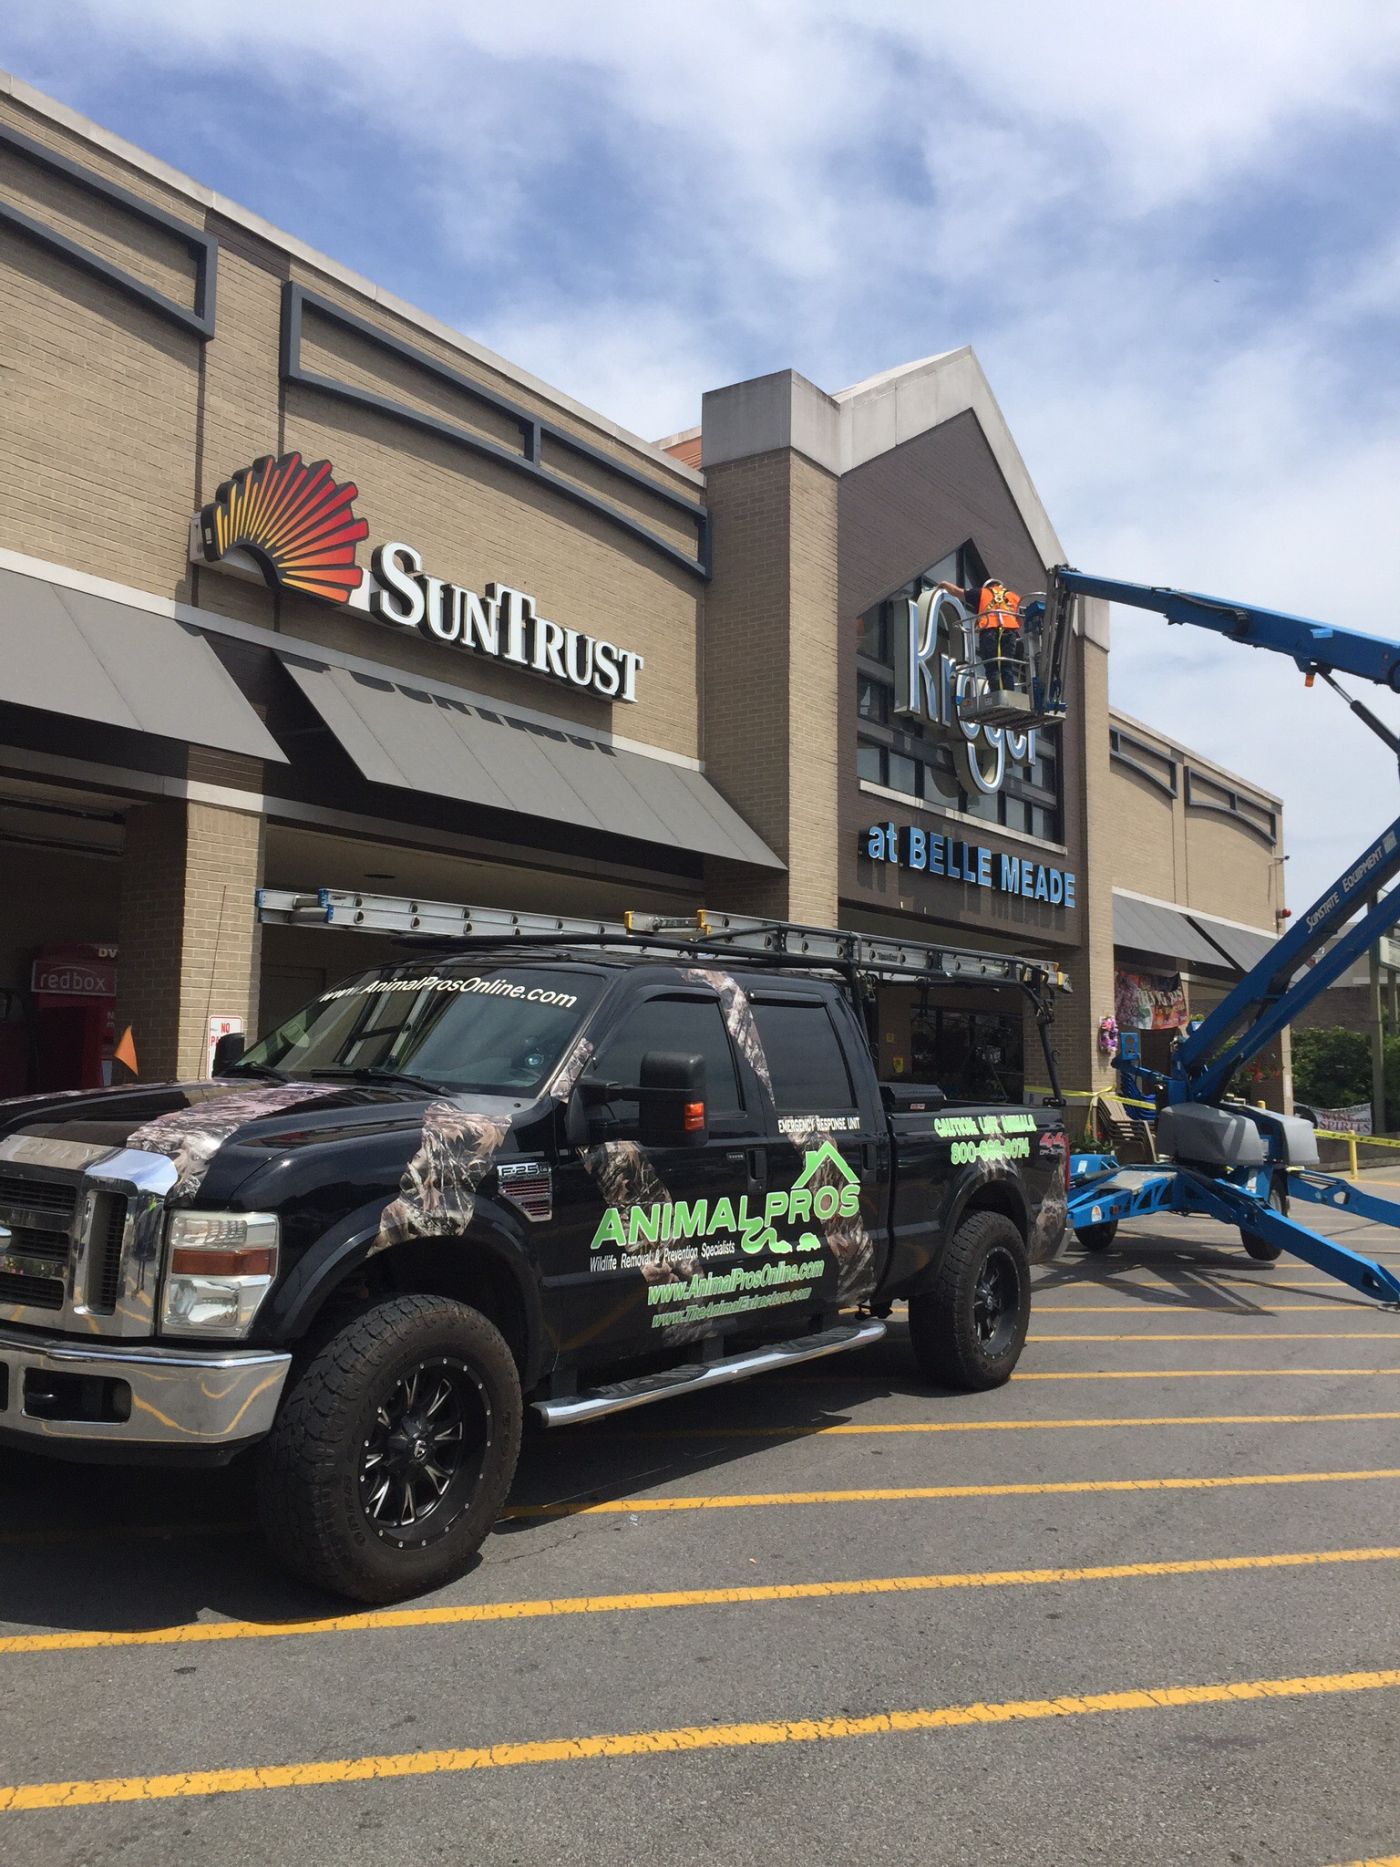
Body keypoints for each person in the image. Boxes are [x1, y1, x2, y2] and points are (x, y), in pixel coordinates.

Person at [935, 576, 1025, 691]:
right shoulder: (1013, 596)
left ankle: (997, 696)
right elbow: (1020, 620)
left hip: (989, 632)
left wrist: (944, 584)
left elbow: (958, 592)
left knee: (992, 667)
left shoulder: (982, 593)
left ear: (988, 586)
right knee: (1006, 666)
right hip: (1009, 633)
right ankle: (1009, 695)